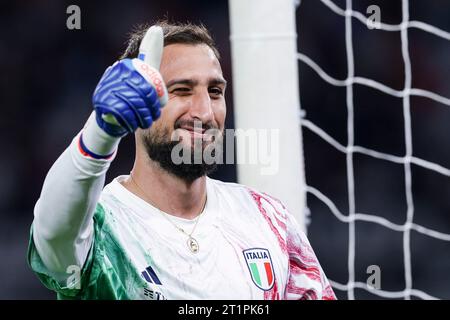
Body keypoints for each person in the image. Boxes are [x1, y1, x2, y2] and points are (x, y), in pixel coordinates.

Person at [27, 20, 336, 300]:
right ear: (136, 101)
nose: (204, 112)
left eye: (215, 91)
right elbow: (52, 235)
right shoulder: (101, 226)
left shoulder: (268, 218)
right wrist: (100, 131)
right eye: (181, 90)